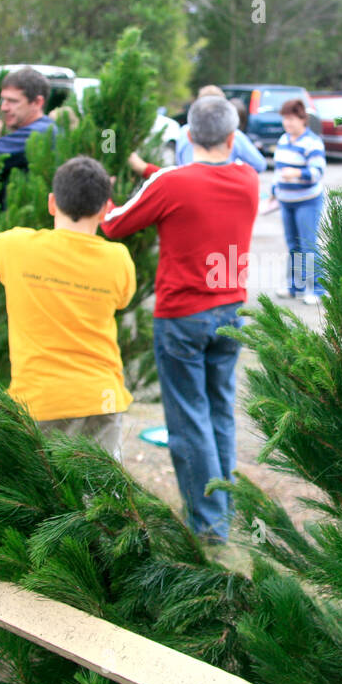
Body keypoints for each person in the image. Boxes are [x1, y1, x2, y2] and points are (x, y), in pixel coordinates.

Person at [101, 96, 259, 542]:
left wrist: (111, 189)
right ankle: (222, 510)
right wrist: (147, 169)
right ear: (233, 138)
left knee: (188, 421)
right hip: (230, 315)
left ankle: (209, 528)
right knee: (218, 412)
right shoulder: (247, 179)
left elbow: (114, 224)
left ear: (187, 136)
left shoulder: (171, 184)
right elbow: (190, 184)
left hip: (183, 318)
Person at [0, 156, 134, 459]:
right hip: (103, 398)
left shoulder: (17, 247)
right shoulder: (119, 259)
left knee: (44, 497)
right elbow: (123, 300)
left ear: (52, 203)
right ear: (104, 210)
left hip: (41, 402)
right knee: (99, 497)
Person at [272, 98, 327, 304]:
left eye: (291, 119)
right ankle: (296, 287)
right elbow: (278, 170)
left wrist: (296, 173)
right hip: (286, 201)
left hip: (307, 201)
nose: (287, 124)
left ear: (302, 119)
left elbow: (317, 171)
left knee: (308, 245)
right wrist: (273, 190)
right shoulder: (283, 140)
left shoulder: (312, 142)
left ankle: (319, 289)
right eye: (285, 119)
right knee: (293, 245)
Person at [0, 67, 58, 207]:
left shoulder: (40, 133)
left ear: (37, 103)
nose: (4, 107)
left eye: (13, 101)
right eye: (3, 100)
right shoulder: (41, 129)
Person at [173, 85, 266, 172]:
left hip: (187, 184)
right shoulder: (234, 134)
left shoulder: (184, 132)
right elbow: (259, 164)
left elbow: (179, 162)